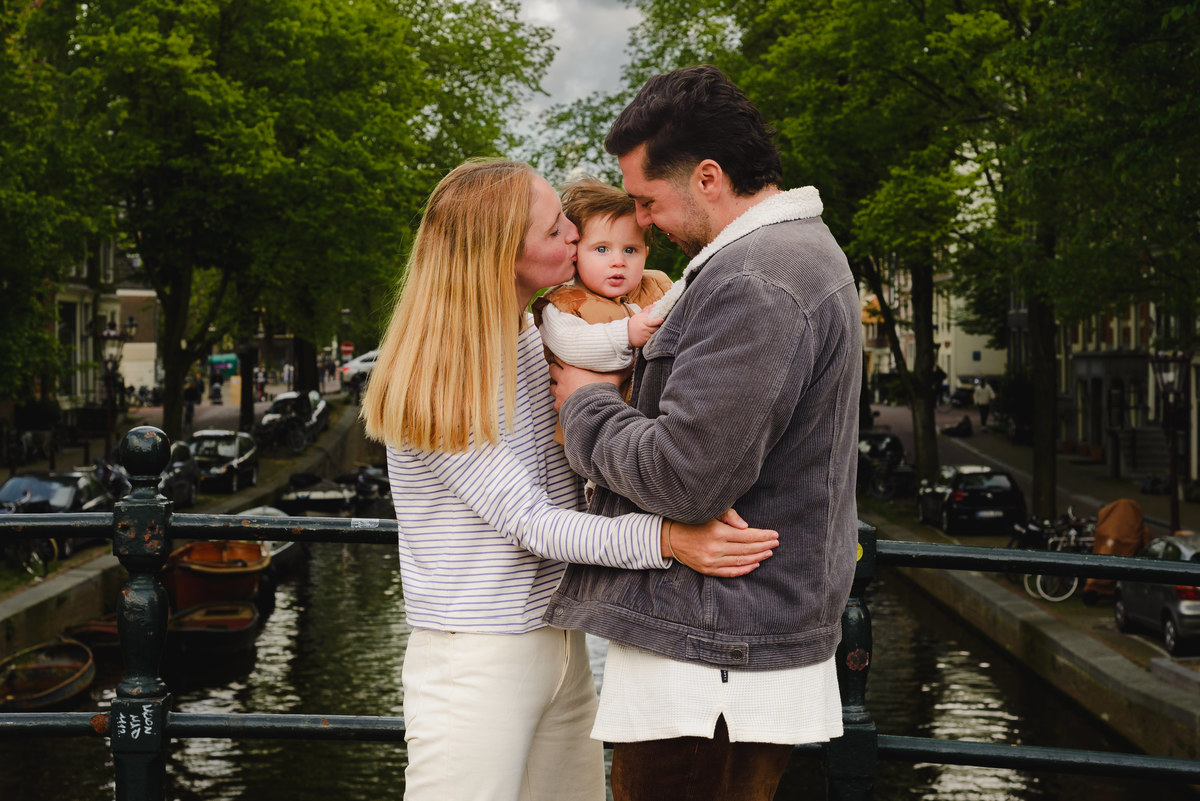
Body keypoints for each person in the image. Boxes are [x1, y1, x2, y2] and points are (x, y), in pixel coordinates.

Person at [359, 158, 780, 801]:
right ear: (504, 251)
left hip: (560, 640)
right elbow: (534, 523)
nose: (574, 239)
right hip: (477, 657)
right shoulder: (436, 374)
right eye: (557, 228)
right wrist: (668, 538)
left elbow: (576, 478)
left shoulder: (534, 338)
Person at [546, 65, 861, 801]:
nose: (643, 225)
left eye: (649, 202)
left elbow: (688, 475)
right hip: (733, 641)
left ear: (710, 177)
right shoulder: (792, 257)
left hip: (712, 651)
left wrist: (585, 404)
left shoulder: (755, 279)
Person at [532, 177, 671, 443]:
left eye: (630, 250)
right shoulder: (563, 304)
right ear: (577, 253)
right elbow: (573, 346)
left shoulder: (659, 285)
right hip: (596, 432)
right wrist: (627, 335)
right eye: (602, 249)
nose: (618, 261)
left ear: (646, 253)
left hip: (658, 421)